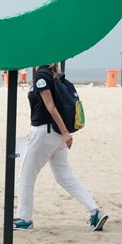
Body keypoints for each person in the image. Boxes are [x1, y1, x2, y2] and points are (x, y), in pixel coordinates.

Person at [13, 62, 108, 232]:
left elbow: (51, 107)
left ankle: (25, 219)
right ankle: (95, 211)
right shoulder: (54, 75)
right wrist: (63, 133)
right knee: (64, 176)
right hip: (55, 135)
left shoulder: (42, 75)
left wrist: (65, 132)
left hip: (45, 132)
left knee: (26, 175)